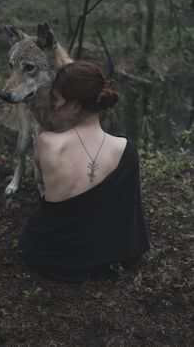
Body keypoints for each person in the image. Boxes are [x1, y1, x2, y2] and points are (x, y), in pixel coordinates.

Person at [20, 60, 150, 282]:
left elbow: (41, 186)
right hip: (107, 254)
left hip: (50, 255)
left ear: (76, 106)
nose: (53, 104)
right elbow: (127, 215)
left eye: (56, 99)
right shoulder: (126, 151)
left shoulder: (46, 143)